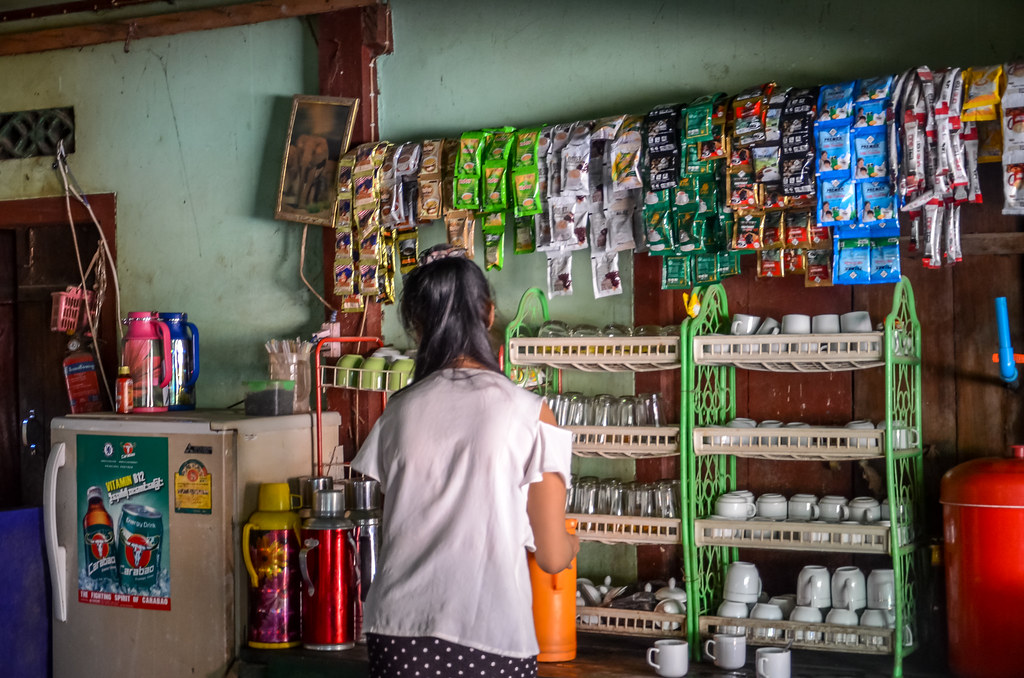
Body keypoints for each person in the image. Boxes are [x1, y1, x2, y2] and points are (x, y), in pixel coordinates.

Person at [351, 244, 579, 678]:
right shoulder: (530, 412)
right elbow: (551, 556)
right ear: (489, 315)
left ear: (419, 326)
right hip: (491, 633)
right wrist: (571, 545)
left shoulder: (397, 411)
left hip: (397, 632)